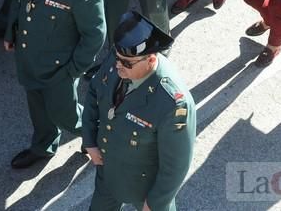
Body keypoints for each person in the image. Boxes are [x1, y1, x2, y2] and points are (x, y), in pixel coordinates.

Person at [3, 0, 106, 169]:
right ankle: (43, 145)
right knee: (37, 108)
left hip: (59, 67)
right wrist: (10, 32)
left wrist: (71, 71)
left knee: (66, 115)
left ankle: (94, 134)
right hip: (29, 56)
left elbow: (94, 35)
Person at [83, 11, 196, 211]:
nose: (117, 65)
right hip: (109, 172)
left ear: (151, 60)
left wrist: (154, 204)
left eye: (126, 63)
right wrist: (90, 141)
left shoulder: (173, 104)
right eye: (116, 57)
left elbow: (175, 166)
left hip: (145, 187)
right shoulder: (123, 56)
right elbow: (94, 92)